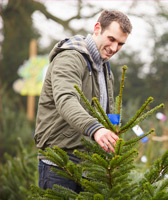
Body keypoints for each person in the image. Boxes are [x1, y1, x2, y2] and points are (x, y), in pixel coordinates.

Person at [34, 10, 132, 192]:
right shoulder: (69, 58)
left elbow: (106, 110)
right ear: (97, 28)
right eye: (111, 39)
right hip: (60, 161)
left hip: (91, 163)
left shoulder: (104, 67)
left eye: (120, 44)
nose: (114, 48)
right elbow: (66, 100)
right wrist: (96, 129)